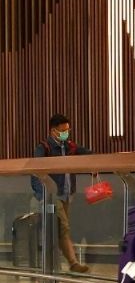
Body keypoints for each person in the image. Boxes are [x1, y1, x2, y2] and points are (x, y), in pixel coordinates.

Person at [30, 114, 93, 273]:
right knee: (63, 227)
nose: (66, 133)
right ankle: (72, 263)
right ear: (53, 131)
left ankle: (57, 265)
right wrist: (42, 195)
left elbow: (89, 154)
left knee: (59, 229)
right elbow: (36, 172)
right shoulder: (44, 147)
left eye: (67, 130)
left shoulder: (70, 147)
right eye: (62, 130)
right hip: (52, 195)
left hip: (66, 195)